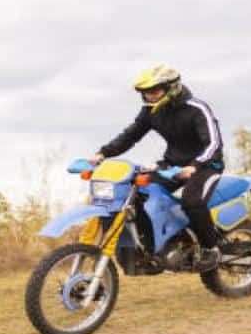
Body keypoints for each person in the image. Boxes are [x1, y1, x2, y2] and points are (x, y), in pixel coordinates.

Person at [89, 64, 225, 272]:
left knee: (192, 201)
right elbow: (130, 135)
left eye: (154, 91)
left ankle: (211, 249)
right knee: (140, 193)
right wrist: (103, 153)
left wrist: (195, 166)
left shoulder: (197, 108)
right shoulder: (150, 111)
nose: (149, 97)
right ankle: (152, 250)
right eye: (146, 93)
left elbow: (214, 144)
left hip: (205, 165)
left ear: (171, 88)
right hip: (171, 165)